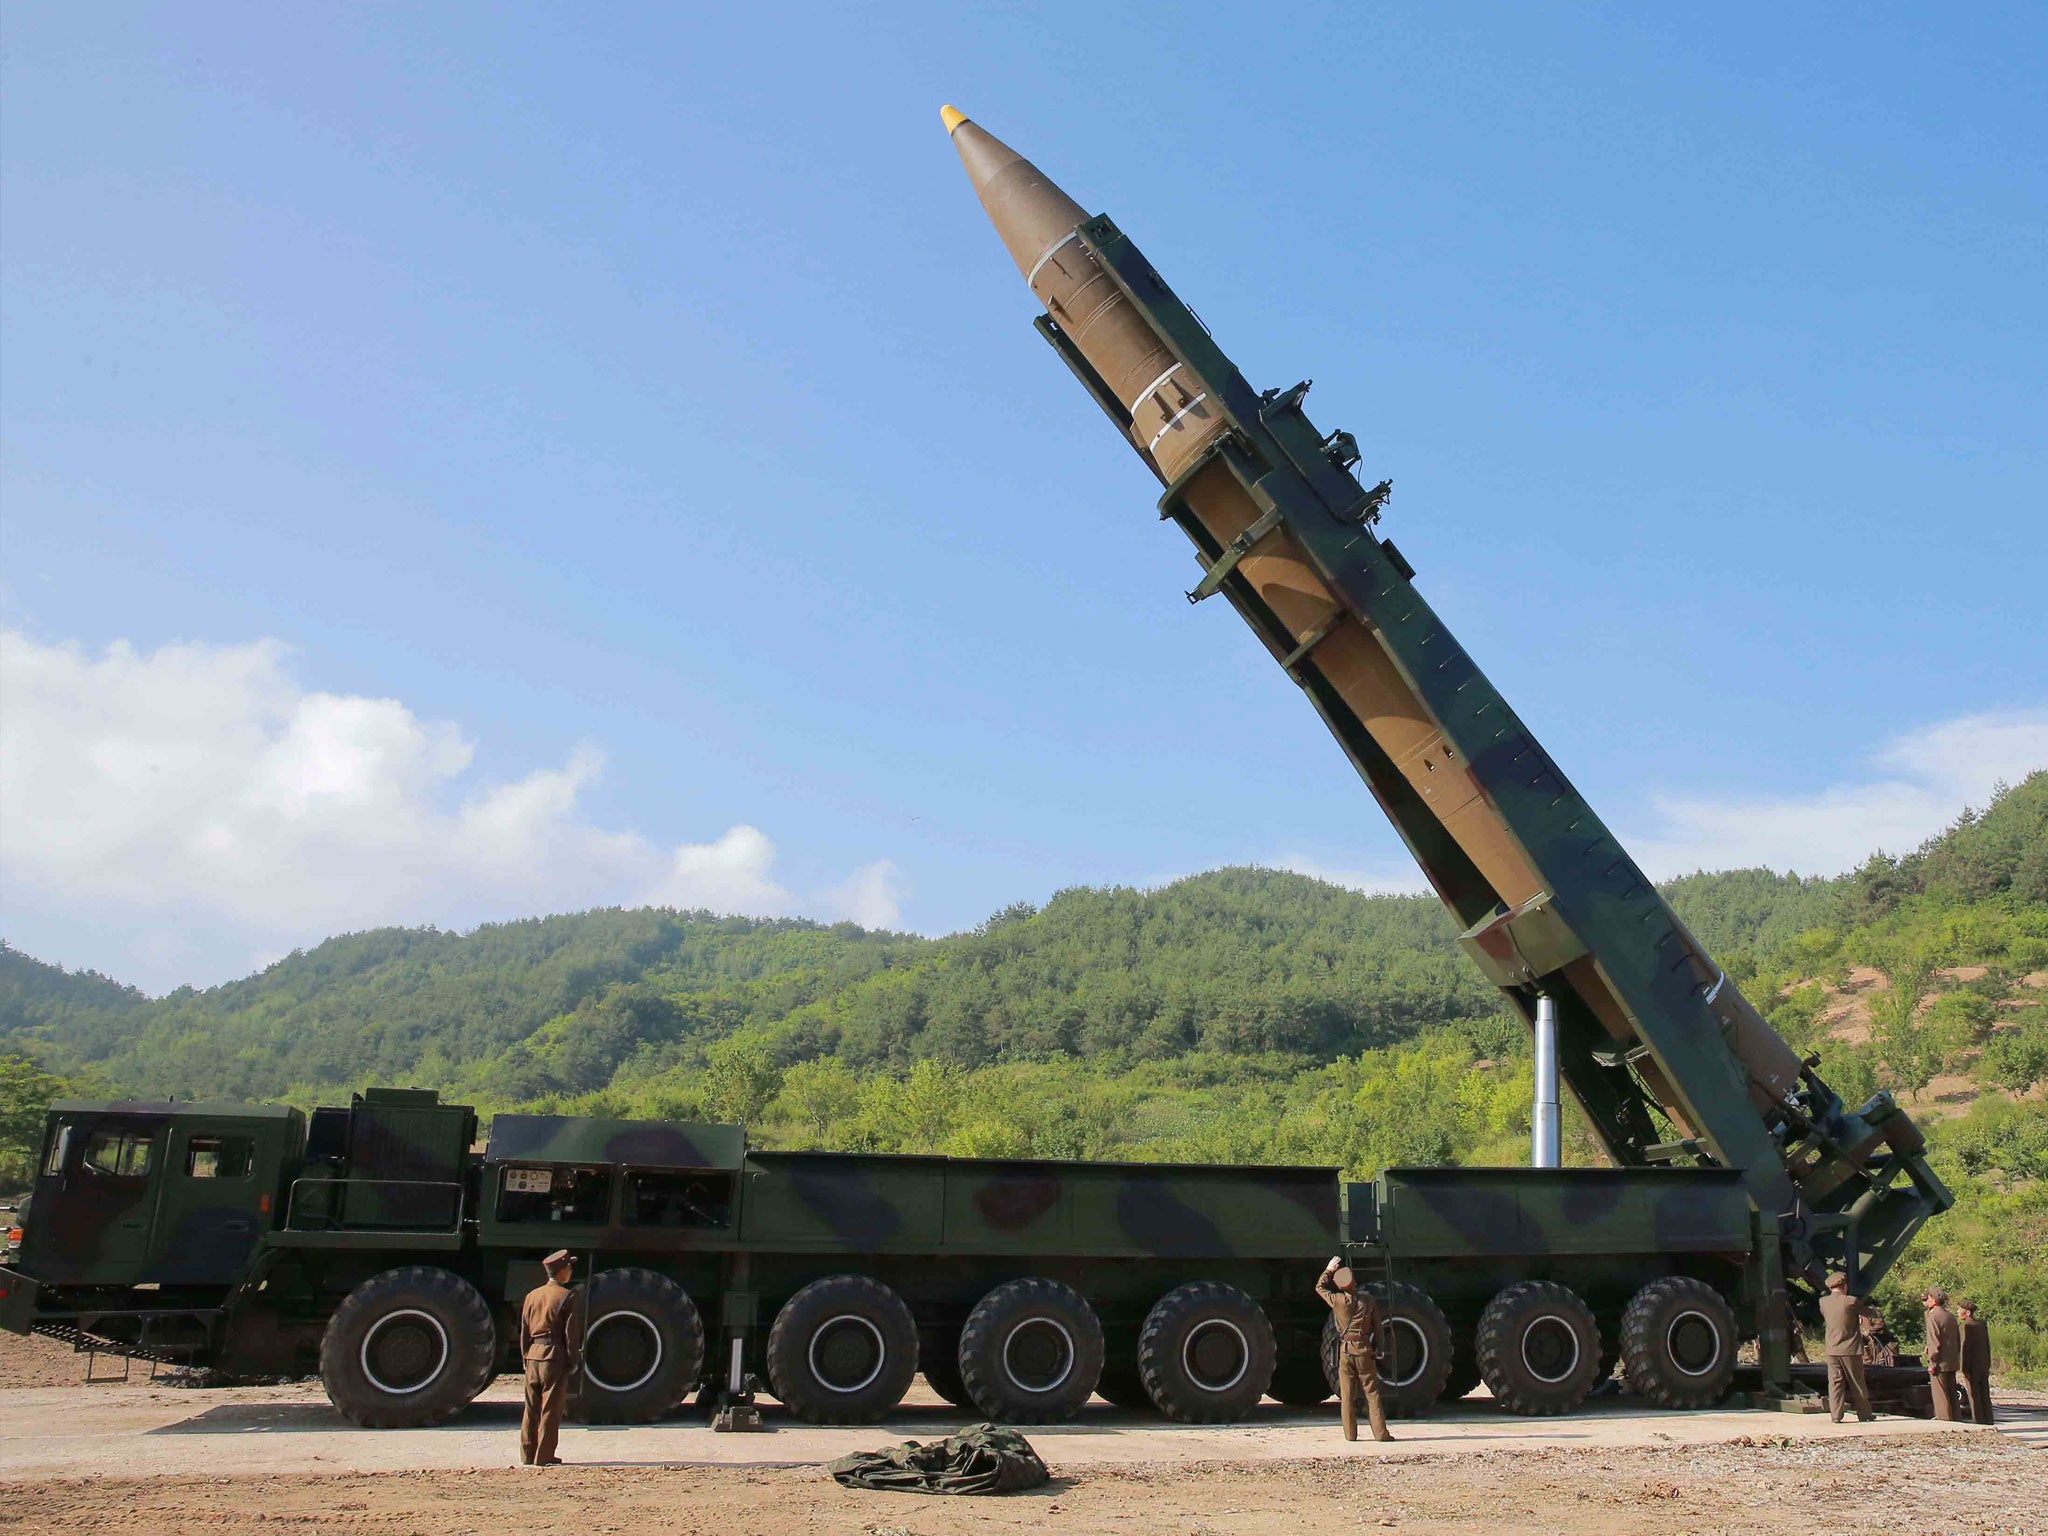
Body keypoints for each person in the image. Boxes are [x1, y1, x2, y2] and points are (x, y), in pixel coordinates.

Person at [1315, 1256, 1391, 1443]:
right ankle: (1381, 1434)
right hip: (1364, 1349)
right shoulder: (1368, 1301)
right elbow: (1378, 1328)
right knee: (1372, 1393)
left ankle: (1350, 1435)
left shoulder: (1337, 1300)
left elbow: (1319, 1288)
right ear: (1354, 1282)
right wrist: (1380, 1348)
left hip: (1345, 1351)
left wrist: (1329, 1270)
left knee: (1347, 1396)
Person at [519, 1249, 582, 1466]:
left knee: (531, 1408)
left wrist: (525, 1357)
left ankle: (527, 1454)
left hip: (533, 1356)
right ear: (562, 1271)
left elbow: (524, 1332)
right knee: (550, 1410)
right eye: (569, 1268)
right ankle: (544, 1456)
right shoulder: (567, 1296)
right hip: (554, 1358)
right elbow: (570, 1334)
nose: (571, 1271)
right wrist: (573, 1360)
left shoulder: (531, 1296)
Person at [1816, 1272, 1876, 1423]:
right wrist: (1873, 1309)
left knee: (1835, 1382)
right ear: (1844, 1285)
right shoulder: (1851, 1301)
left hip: (1832, 1349)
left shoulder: (1823, 1302)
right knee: (1857, 1382)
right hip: (1850, 1349)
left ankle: (1836, 1415)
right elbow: (1869, 1313)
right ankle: (1864, 1414)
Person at [1922, 1287, 1961, 1422]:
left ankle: (1944, 1421)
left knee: (1941, 1395)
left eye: (1928, 1298)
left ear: (1933, 1299)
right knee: (1952, 1394)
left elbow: (1934, 1343)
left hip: (1940, 1363)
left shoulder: (1934, 1317)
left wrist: (1932, 1362)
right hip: (1952, 1360)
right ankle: (1957, 1420)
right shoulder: (1950, 1316)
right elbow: (1957, 1340)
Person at [1956, 1299, 1994, 1426]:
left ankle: (1978, 1421)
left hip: (1971, 1366)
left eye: (1959, 1309)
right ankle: (1989, 1419)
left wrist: (1963, 1368)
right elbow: (1987, 1346)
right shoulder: (1981, 1324)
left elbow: (1964, 1348)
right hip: (1983, 1364)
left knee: (1973, 1395)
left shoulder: (1965, 1326)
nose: (1957, 1312)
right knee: (1984, 1393)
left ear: (1966, 1312)